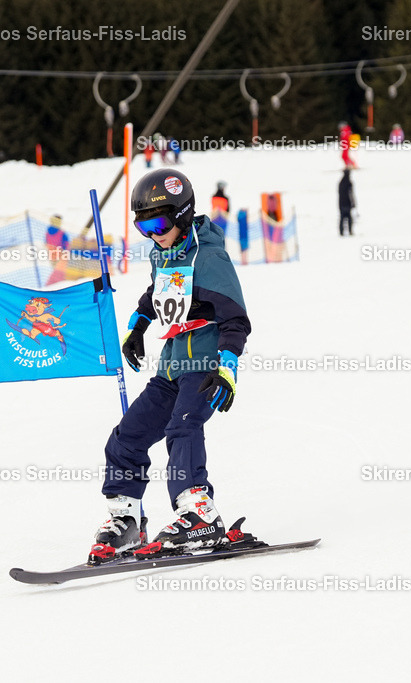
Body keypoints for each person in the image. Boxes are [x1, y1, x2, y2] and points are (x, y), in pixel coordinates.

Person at [90, 168, 251, 564]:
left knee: (182, 429)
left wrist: (227, 367)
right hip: (171, 367)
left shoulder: (210, 258)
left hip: (205, 366)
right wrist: (136, 327)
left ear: (182, 214)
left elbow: (235, 319)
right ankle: (126, 519)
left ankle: (199, 514)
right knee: (126, 437)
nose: (152, 234)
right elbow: (158, 292)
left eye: (159, 223)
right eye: (142, 227)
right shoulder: (164, 252)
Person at [338, 169, 356, 236]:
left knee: (342, 218)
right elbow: (351, 194)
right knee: (349, 219)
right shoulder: (349, 183)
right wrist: (353, 202)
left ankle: (341, 232)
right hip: (347, 203)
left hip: (341, 203)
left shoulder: (341, 183)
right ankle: (350, 231)